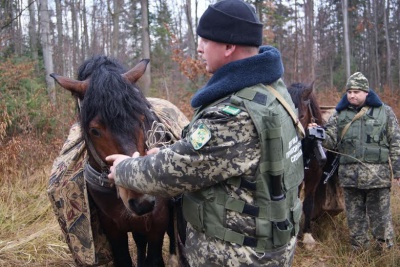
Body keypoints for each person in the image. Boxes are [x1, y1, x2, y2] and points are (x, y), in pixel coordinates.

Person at [107, 0, 304, 266]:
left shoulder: (235, 113)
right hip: (263, 244)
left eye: (204, 40)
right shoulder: (272, 91)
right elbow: (220, 157)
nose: (199, 48)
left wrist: (124, 169)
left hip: (236, 255)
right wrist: (168, 152)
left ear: (228, 46)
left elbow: (177, 171)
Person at [320, 72, 400, 250]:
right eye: (349, 91)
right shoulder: (339, 115)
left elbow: (396, 141)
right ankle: (359, 251)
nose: (352, 95)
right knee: (355, 220)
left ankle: (384, 251)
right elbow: (331, 142)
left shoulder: (384, 112)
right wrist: (318, 135)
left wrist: (398, 170)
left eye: (356, 91)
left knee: (381, 217)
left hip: (377, 178)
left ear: (366, 92)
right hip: (350, 179)